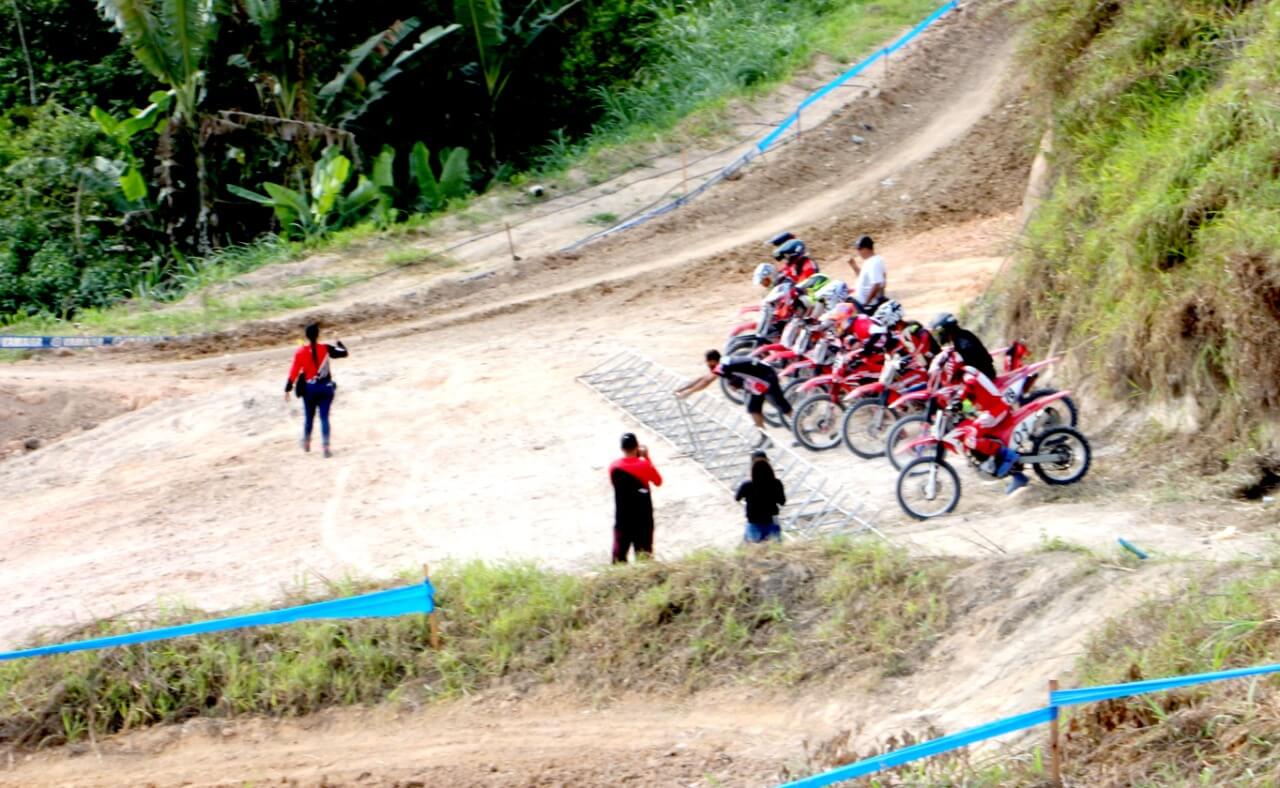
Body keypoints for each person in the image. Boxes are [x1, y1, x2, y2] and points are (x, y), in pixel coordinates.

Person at [675, 349, 792, 446]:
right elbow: (703, 378)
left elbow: (706, 381)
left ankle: (800, 430)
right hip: (756, 381)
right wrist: (683, 388)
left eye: (708, 362)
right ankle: (765, 438)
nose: (707, 365)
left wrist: (688, 393)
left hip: (767, 377)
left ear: (713, 361)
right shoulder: (723, 362)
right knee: (753, 409)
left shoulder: (723, 366)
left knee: (782, 406)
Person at [284, 322, 348, 458]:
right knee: (324, 417)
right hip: (326, 388)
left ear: (306, 336)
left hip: (310, 389)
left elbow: (294, 372)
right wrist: (337, 341)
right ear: (318, 335)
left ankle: (306, 442)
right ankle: (325, 446)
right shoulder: (326, 348)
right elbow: (344, 353)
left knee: (309, 418)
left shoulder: (300, 352)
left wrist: (287, 388)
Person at [609, 433, 663, 563]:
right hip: (643, 519)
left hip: (623, 519)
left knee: (619, 558)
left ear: (622, 448)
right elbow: (658, 481)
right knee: (644, 557)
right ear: (637, 446)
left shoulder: (614, 467)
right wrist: (646, 458)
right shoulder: (644, 465)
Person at [930, 312, 997, 382]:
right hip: (982, 375)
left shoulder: (963, 342)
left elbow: (972, 363)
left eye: (940, 332)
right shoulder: (962, 335)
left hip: (984, 379)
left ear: (946, 330)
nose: (939, 335)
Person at [736, 452, 786, 543]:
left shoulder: (747, 485)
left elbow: (737, 498)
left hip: (754, 520)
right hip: (772, 519)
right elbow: (782, 502)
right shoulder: (776, 483)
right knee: (775, 547)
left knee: (754, 547)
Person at [847, 235, 887, 314]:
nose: (858, 252)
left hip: (870, 306)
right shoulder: (869, 261)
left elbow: (877, 284)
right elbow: (863, 279)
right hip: (864, 304)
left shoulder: (874, 263)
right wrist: (854, 265)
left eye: (859, 249)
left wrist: (867, 303)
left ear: (866, 248)